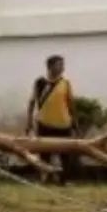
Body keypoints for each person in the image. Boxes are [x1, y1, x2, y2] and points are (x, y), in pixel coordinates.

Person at [26, 55, 78, 184]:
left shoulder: (66, 83)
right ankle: (46, 178)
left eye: (63, 65)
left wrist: (75, 122)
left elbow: (70, 103)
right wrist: (28, 122)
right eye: (59, 65)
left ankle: (64, 180)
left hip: (63, 124)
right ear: (50, 67)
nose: (62, 68)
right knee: (44, 154)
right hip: (44, 123)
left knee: (65, 154)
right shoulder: (40, 83)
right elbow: (32, 102)